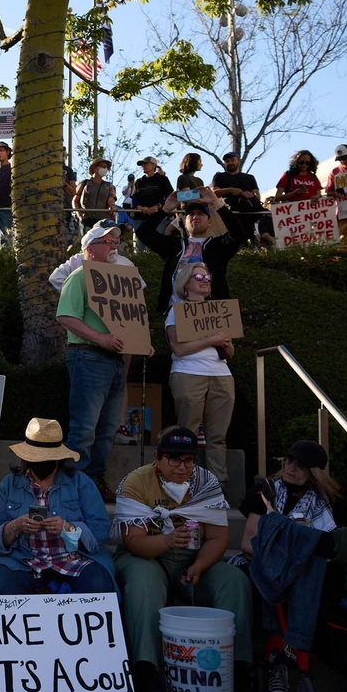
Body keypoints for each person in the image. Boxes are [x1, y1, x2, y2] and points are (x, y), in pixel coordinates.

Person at [114, 426, 258, 692]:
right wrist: (167, 541)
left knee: (234, 580)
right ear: (158, 457)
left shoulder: (206, 483)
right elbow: (134, 542)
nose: (182, 467)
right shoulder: (136, 482)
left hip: (194, 556)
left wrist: (201, 565)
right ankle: (146, 667)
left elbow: (218, 537)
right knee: (144, 581)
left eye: (189, 460)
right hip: (148, 555)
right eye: (174, 460)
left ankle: (239, 665)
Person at [235, 440, 347, 692]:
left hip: (310, 570)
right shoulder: (266, 491)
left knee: (316, 577)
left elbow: (339, 547)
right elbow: (247, 545)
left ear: (315, 471)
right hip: (262, 563)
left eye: (299, 465)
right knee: (278, 576)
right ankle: (278, 660)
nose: (290, 468)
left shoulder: (331, 501)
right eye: (288, 461)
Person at [57, 221, 141, 499]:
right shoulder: (80, 276)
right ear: (90, 250)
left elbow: (131, 320)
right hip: (89, 357)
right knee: (84, 428)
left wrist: (142, 342)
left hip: (113, 360)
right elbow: (66, 317)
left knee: (107, 429)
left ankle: (92, 480)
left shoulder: (118, 281)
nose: (114, 246)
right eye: (108, 242)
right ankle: (72, 485)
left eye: (116, 242)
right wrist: (100, 338)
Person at [0, 418, 116, 595]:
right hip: (25, 561)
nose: (40, 463)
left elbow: (101, 531)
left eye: (46, 458)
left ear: (58, 458)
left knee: (98, 585)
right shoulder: (8, 485)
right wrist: (15, 526)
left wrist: (69, 528)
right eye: (36, 458)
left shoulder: (81, 483)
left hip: (74, 559)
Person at [165, 263, 235, 484]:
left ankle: (218, 485)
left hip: (221, 375)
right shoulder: (176, 312)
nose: (204, 280)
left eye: (207, 276)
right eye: (198, 276)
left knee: (218, 436)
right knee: (187, 434)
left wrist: (225, 344)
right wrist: (210, 340)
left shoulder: (218, 312)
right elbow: (178, 348)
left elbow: (230, 351)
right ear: (185, 284)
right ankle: (183, 482)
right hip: (188, 374)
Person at [137, 186, 241, 318]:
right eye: (191, 214)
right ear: (185, 222)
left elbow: (238, 233)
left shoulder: (218, 246)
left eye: (200, 214)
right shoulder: (173, 246)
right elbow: (143, 233)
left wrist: (216, 202)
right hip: (176, 313)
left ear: (210, 222)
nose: (195, 217)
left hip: (212, 313)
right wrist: (165, 210)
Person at [75, 157, 117, 230]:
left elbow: (111, 198)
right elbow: (75, 200)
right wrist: (79, 215)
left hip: (103, 221)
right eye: (103, 166)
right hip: (86, 219)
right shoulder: (84, 183)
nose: (105, 169)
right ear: (95, 168)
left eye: (106, 167)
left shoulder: (109, 186)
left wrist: (112, 205)